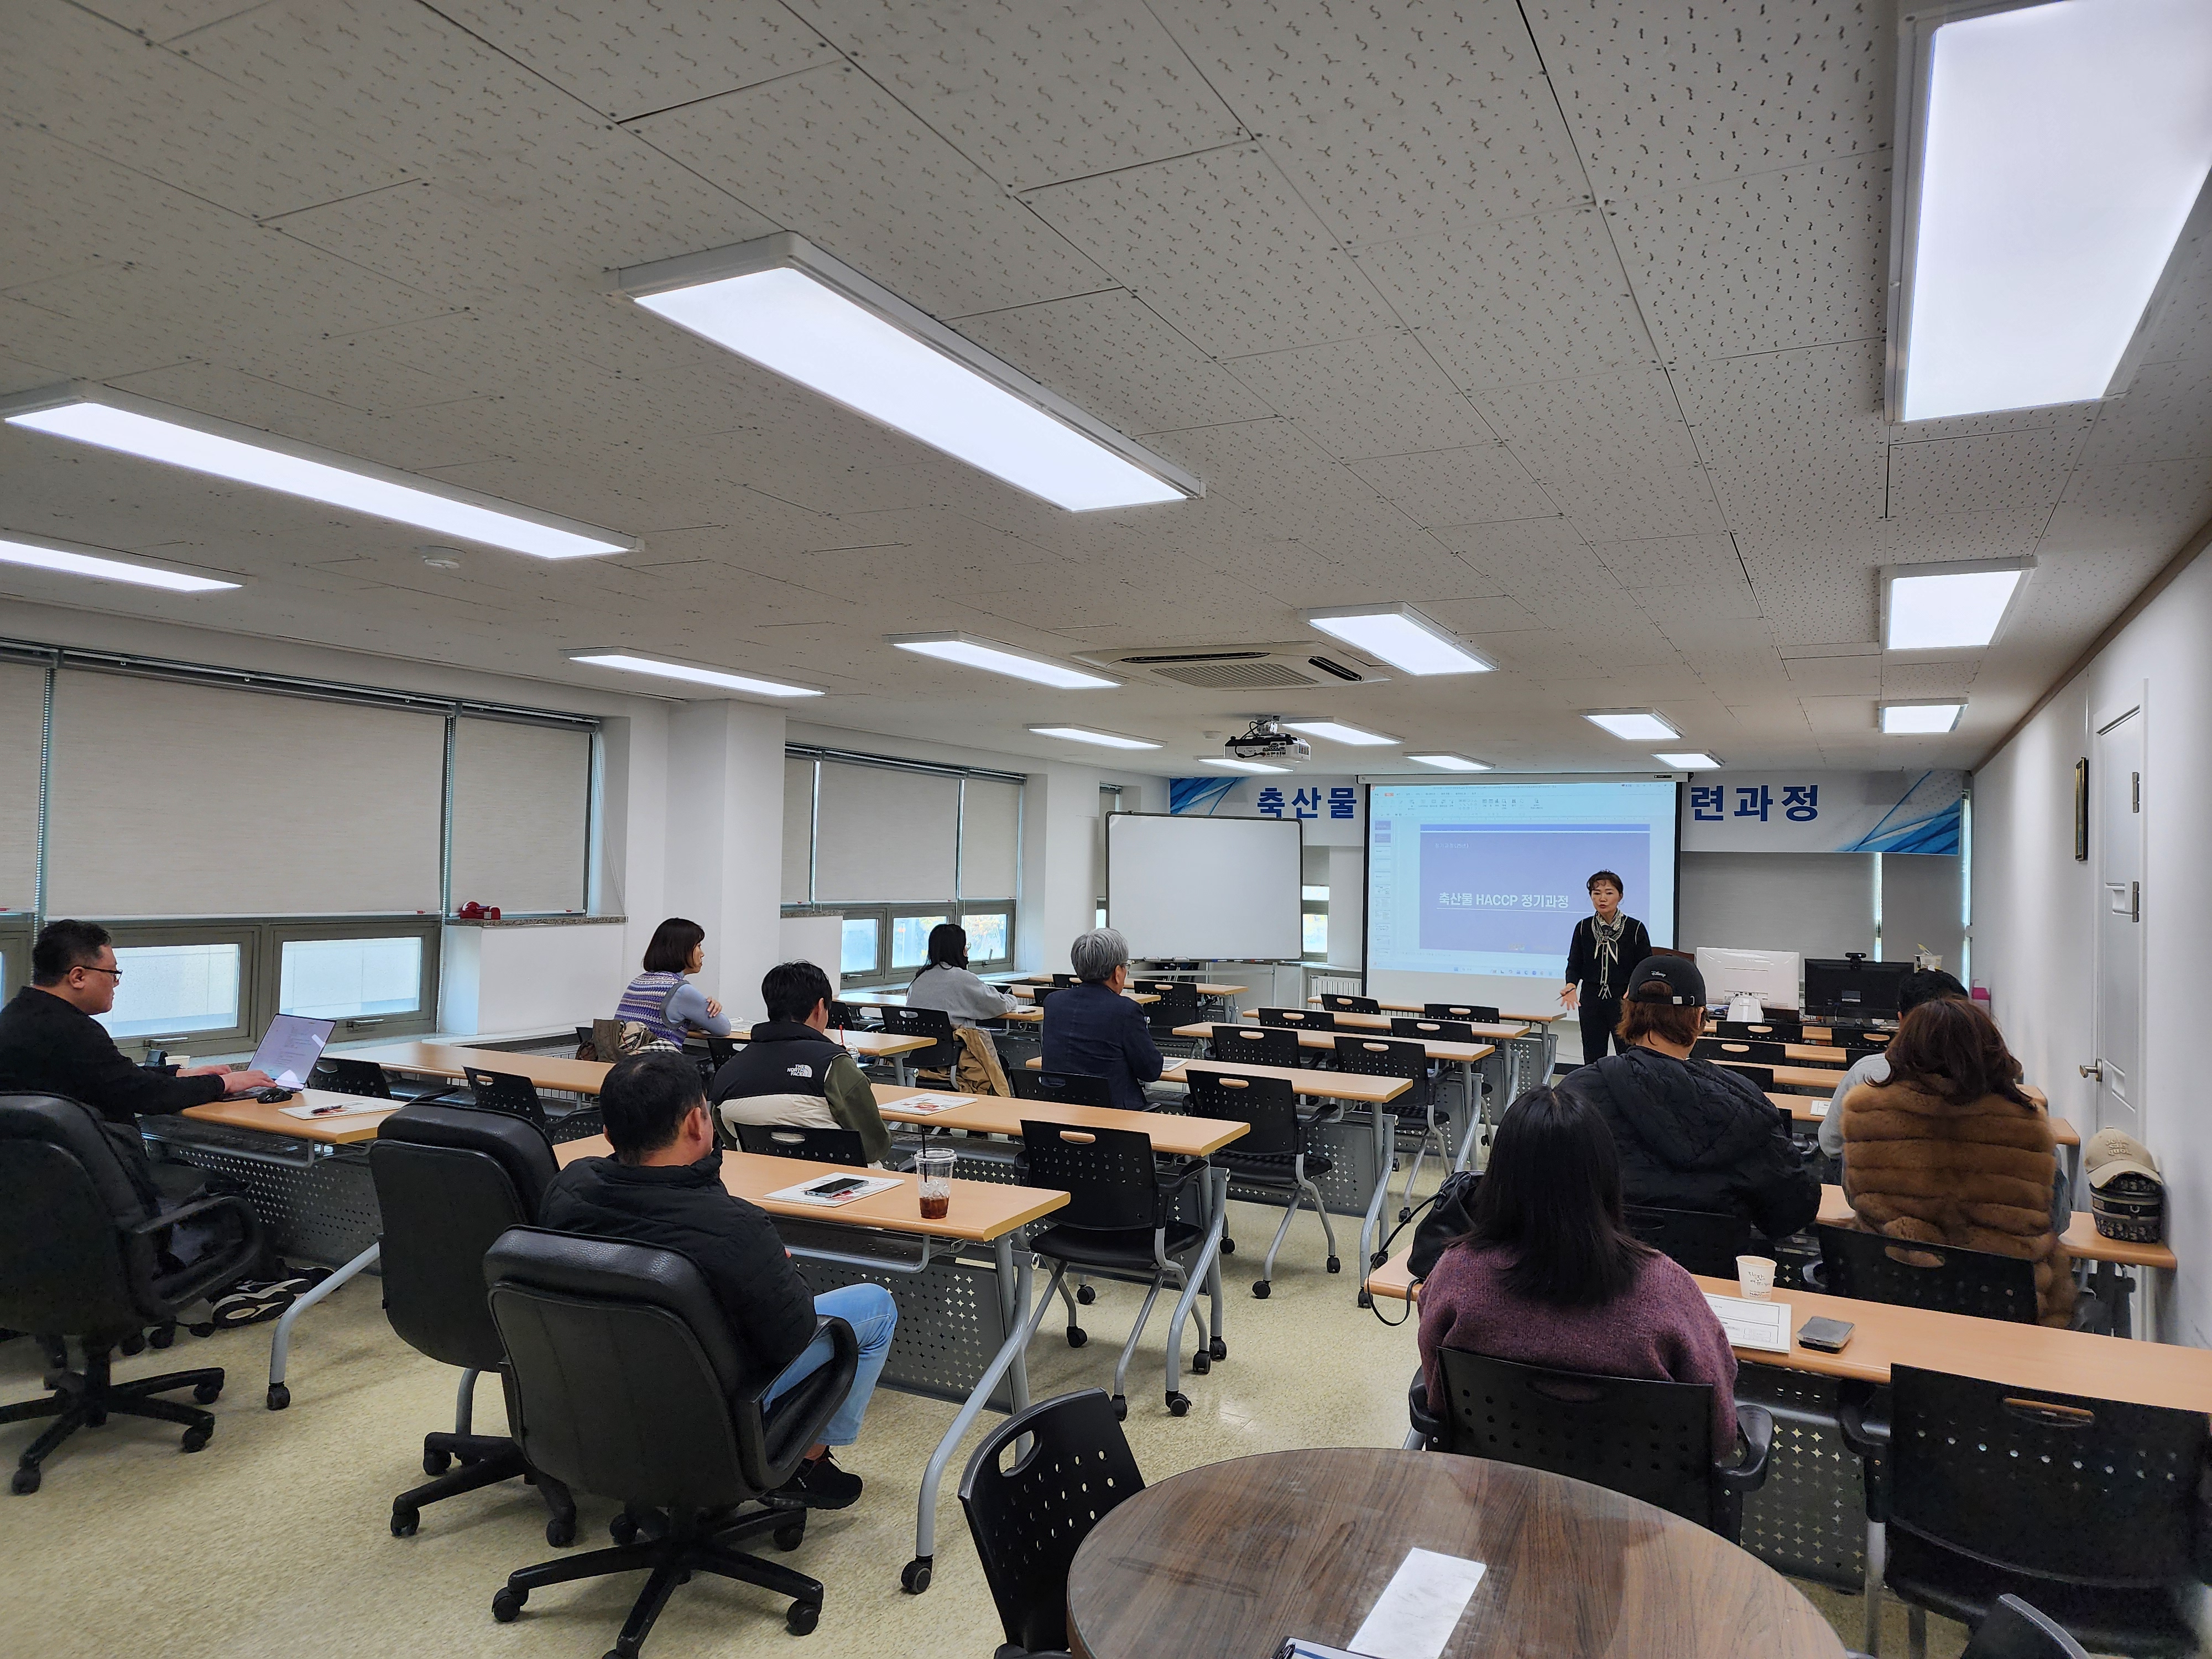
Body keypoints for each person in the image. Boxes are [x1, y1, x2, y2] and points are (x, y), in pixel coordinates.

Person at [539, 1052, 897, 1507]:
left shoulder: (568, 1189)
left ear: (608, 1134)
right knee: (875, 1307)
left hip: (596, 1394)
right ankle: (805, 1461)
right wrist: (775, 1268)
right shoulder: (734, 1227)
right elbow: (790, 1340)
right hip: (712, 1405)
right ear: (697, 1123)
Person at [1416, 1087, 1742, 1455]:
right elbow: (1720, 1435)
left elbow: (1439, 1402)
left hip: (1489, 1485)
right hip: (1632, 1492)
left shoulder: (1455, 1273)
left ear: (1498, 1177)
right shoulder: (1667, 1289)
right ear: (1606, 1177)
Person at [1838, 997, 2074, 1326]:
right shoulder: (2027, 1124)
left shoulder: (1868, 1114)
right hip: (2004, 1313)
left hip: (1894, 1300)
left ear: (1904, 1048)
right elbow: (2057, 1219)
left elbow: (1855, 1198)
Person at [1560, 955, 1819, 1242]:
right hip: (1712, 1267)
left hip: (1600, 1264)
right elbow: (1792, 1212)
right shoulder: (1744, 1101)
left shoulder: (1574, 1093)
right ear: (1699, 1018)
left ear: (1628, 1011)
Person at [0, 919, 275, 1125]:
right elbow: (145, 1095)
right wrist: (224, 1084)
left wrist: (179, 1074)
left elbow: (111, 1078)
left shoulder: (17, 1016)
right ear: (78, 977)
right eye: (112, 973)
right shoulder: (73, 1030)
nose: (116, 983)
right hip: (100, 1173)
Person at [709, 961, 893, 1164]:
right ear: (820, 1007)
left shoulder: (726, 1074)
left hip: (758, 1177)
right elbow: (875, 1146)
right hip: (837, 1180)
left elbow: (731, 1141)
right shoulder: (833, 1065)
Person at [1817, 968, 1969, 1161]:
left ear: (1901, 1020)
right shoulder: (1988, 1077)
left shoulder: (1867, 1073)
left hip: (1880, 1178)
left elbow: (1830, 1145)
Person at [1040, 927, 1163, 1110]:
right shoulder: (1126, 1010)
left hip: (1060, 1110)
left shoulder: (1053, 1002)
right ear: (1117, 972)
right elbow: (1151, 1071)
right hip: (1113, 1115)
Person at [1559, 870, 1653, 1066]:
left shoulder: (1635, 928)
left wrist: (1635, 989)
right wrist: (1571, 985)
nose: (1602, 899)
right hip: (1591, 998)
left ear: (1620, 896)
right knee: (1592, 1055)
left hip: (1624, 999)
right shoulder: (1583, 927)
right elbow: (1574, 963)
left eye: (1609, 893)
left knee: (1628, 1055)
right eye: (1596, 893)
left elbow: (1645, 965)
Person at [613, 917, 732, 1047]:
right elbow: (724, 1028)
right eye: (699, 946)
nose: (702, 954)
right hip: (658, 1059)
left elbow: (673, 1019)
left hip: (623, 1058)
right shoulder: (680, 990)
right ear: (682, 950)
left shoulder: (637, 982)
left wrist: (699, 1013)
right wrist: (710, 1009)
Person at [904, 923, 1019, 1024]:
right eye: (965, 947)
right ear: (959, 950)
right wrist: (1012, 999)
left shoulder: (919, 979)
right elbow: (999, 1004)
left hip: (919, 1041)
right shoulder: (964, 979)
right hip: (954, 1040)